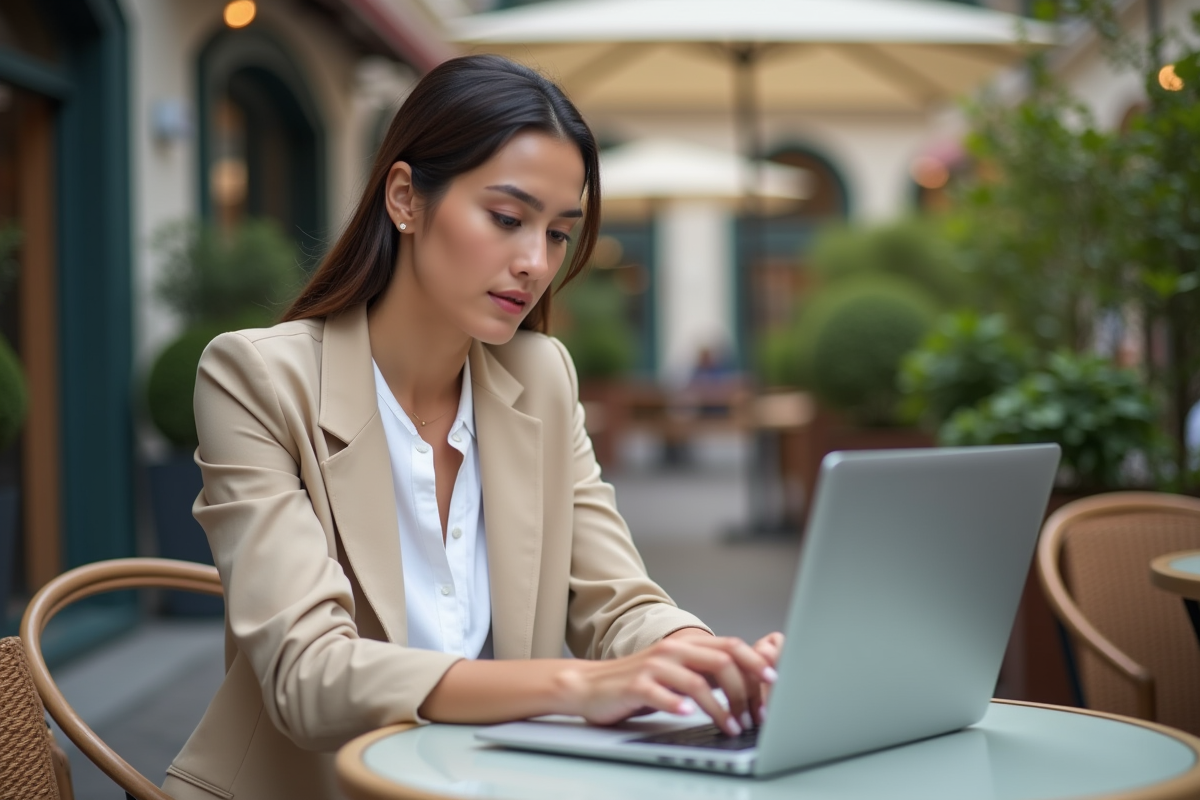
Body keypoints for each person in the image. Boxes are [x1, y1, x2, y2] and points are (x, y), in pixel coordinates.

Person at [164, 55, 783, 800]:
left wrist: (702, 657)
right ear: (405, 198)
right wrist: (577, 686)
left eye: (559, 233)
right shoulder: (257, 380)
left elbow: (617, 600)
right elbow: (311, 676)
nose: (534, 263)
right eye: (506, 218)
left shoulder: (541, 378)